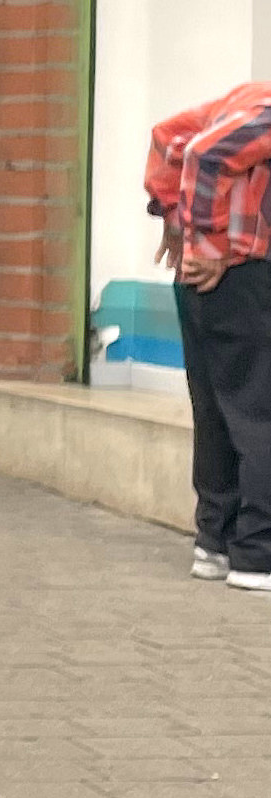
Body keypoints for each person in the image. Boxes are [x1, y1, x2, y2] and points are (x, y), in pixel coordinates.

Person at [148, 81, 271, 592]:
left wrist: (176, 221)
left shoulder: (248, 99)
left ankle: (214, 543)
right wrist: (210, 240)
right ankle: (258, 556)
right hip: (240, 275)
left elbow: (168, 136)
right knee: (260, 412)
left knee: (219, 412)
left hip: (207, 280)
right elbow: (206, 152)